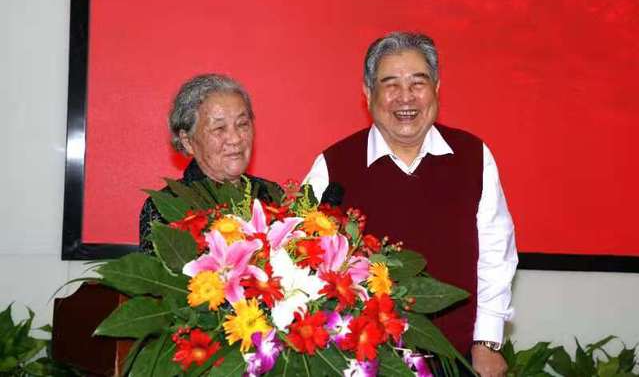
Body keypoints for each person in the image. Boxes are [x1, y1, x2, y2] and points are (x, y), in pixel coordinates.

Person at [304, 32, 518, 377]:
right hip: (362, 363)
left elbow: (496, 255)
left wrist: (487, 342)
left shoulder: (473, 156)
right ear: (367, 93)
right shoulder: (333, 165)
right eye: (390, 84)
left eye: (418, 83)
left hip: (456, 359)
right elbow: (304, 259)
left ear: (437, 88)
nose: (405, 97)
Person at [139, 74, 281, 253]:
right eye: (219, 128)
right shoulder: (165, 207)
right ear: (188, 142)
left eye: (242, 124)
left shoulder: (272, 195)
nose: (235, 139)